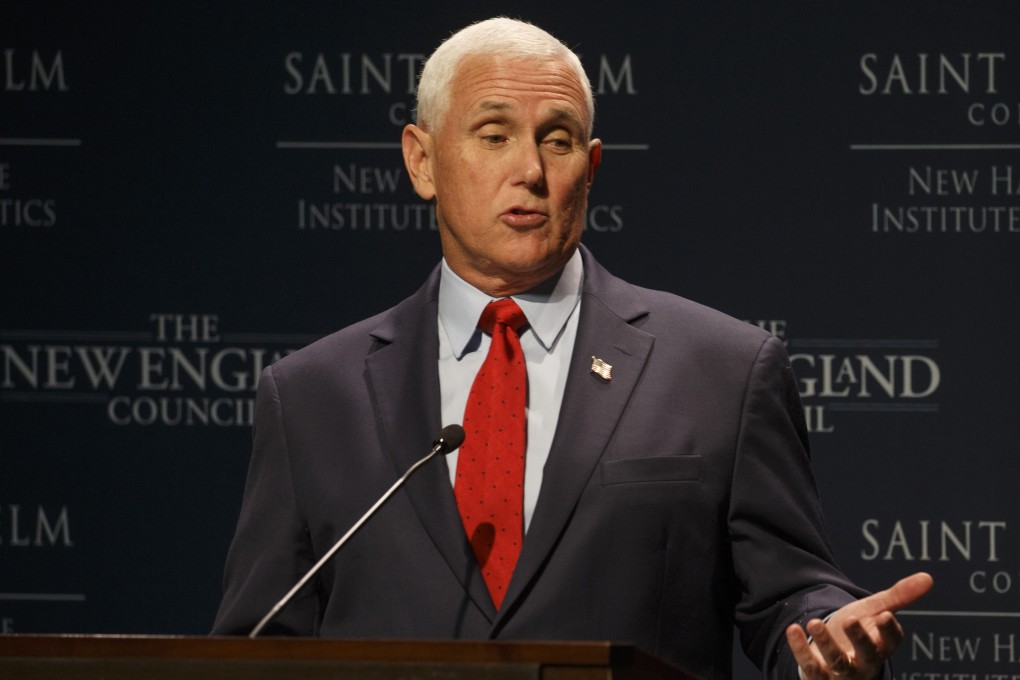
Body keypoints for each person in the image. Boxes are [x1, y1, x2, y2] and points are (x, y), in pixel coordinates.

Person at [213, 17, 932, 679]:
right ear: (422, 161)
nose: (530, 169)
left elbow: (791, 595)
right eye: (493, 135)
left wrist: (825, 640)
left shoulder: (723, 373)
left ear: (589, 169)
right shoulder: (311, 397)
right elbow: (257, 645)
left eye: (556, 140)